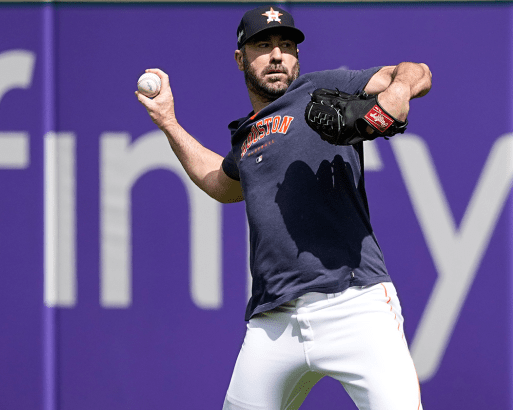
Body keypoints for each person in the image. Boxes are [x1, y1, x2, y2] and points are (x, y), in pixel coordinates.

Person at [136, 5, 431, 410]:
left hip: (354, 303)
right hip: (275, 322)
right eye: (263, 44)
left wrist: (397, 94)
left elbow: (417, 71)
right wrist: (168, 121)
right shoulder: (248, 135)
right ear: (240, 58)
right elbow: (222, 185)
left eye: (287, 45)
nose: (277, 55)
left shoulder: (325, 87)